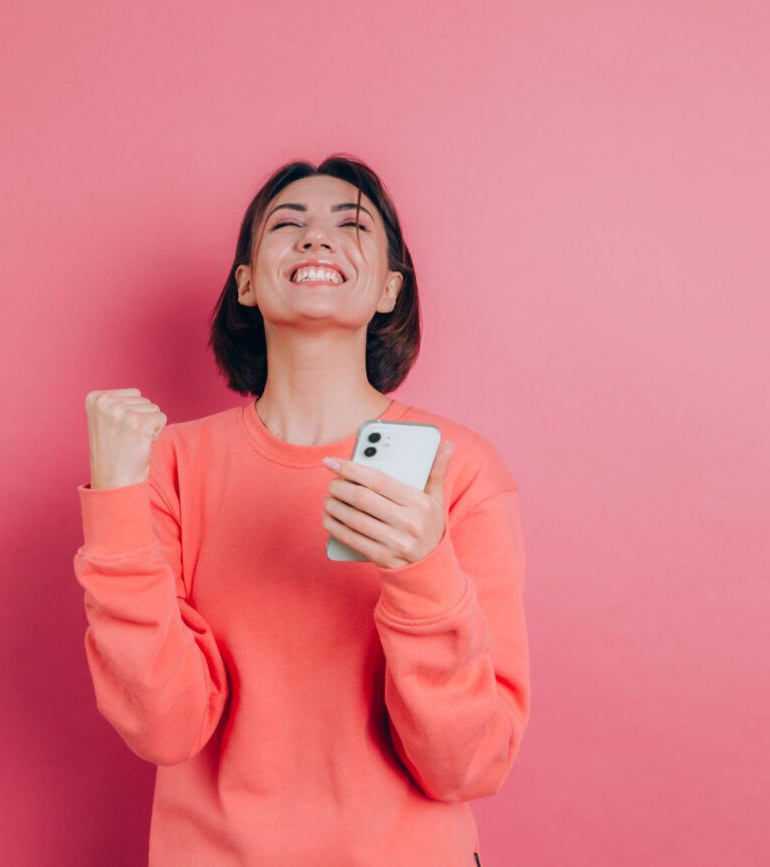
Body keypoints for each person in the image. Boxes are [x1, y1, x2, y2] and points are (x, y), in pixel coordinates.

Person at [74, 154, 528, 866]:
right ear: (248, 284)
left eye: (350, 225)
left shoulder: (459, 469)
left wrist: (422, 570)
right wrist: (117, 504)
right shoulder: (165, 464)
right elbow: (165, 727)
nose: (316, 239)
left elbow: (467, 766)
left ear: (388, 288)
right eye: (288, 224)